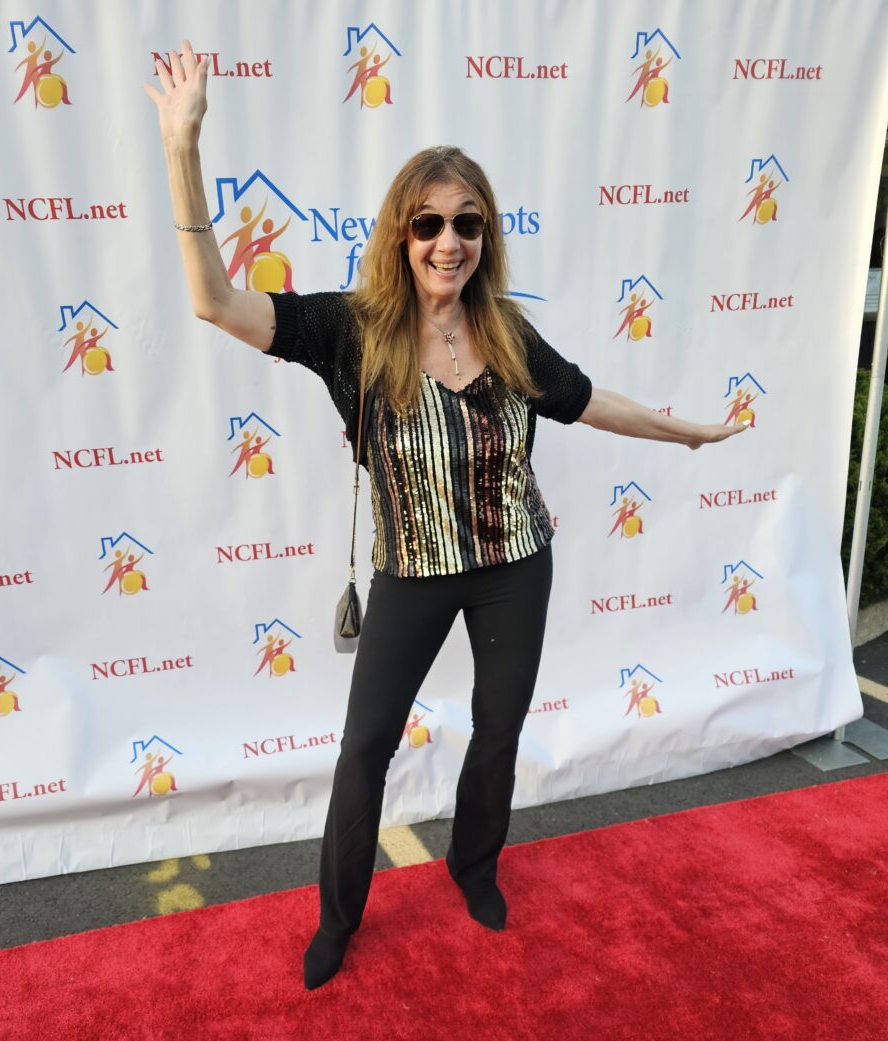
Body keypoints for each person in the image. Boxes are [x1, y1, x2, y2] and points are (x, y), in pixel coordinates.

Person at [145, 42, 747, 991]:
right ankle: (338, 916)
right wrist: (182, 146)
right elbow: (215, 302)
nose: (447, 241)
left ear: (485, 236)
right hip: (413, 570)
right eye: (427, 223)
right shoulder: (351, 330)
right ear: (402, 234)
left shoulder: (506, 333)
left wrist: (687, 435)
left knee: (498, 729)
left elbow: (589, 400)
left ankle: (475, 867)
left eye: (466, 223)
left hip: (516, 562)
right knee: (366, 747)